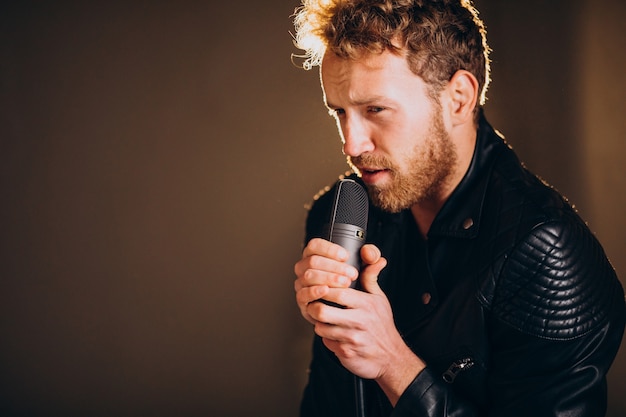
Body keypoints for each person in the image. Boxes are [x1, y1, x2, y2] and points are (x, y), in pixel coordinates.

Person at [291, 0, 626, 416]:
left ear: (459, 98)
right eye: (339, 112)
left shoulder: (548, 254)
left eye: (375, 109)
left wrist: (393, 364)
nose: (351, 144)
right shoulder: (340, 213)